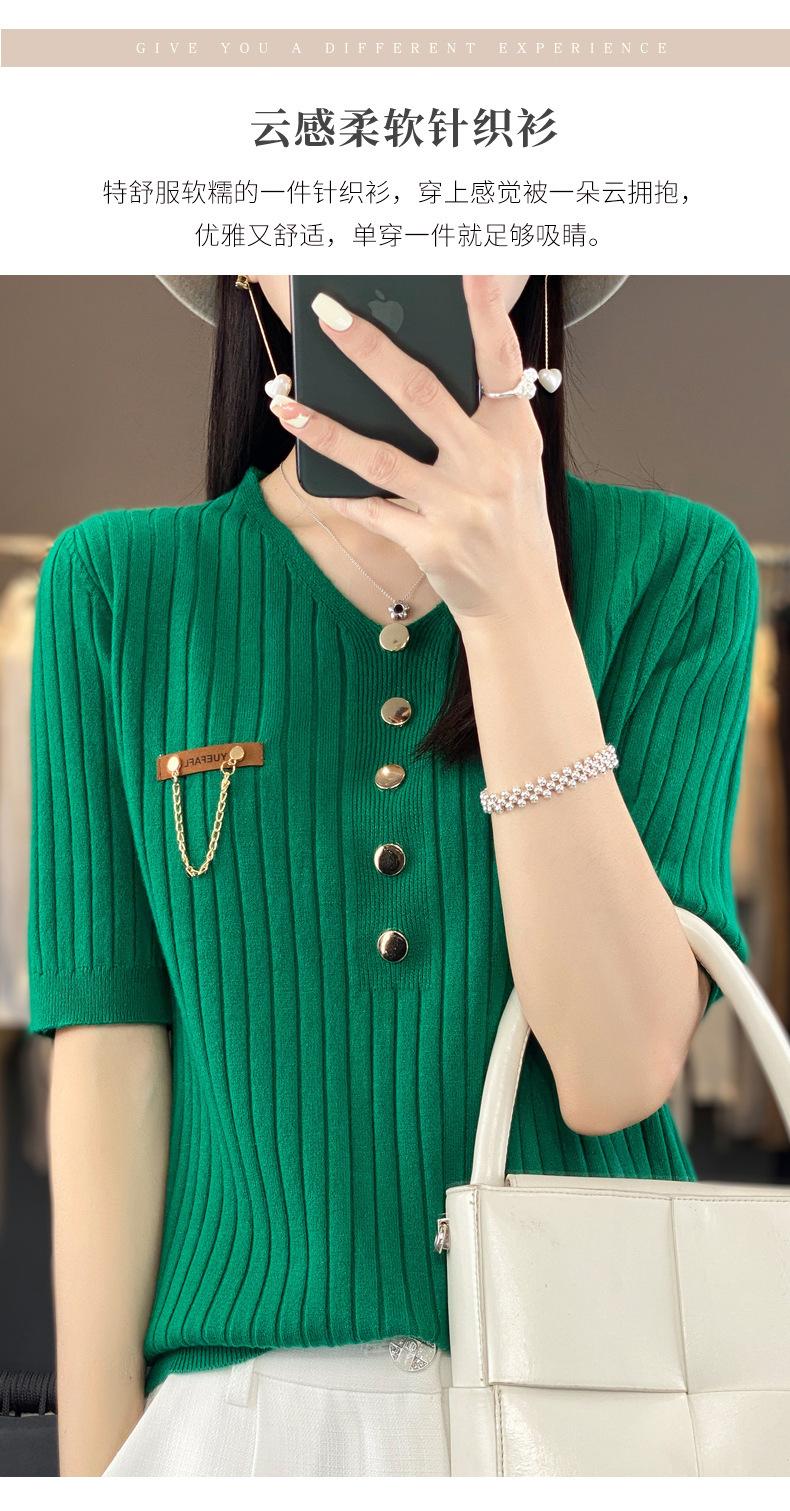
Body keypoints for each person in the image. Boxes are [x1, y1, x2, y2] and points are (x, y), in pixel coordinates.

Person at [27, 273, 758, 1476]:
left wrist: (512, 598)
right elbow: (111, 1064)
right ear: (247, 254)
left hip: (594, 1405)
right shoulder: (118, 584)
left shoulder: (677, 570)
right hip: (243, 1427)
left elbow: (615, 1068)